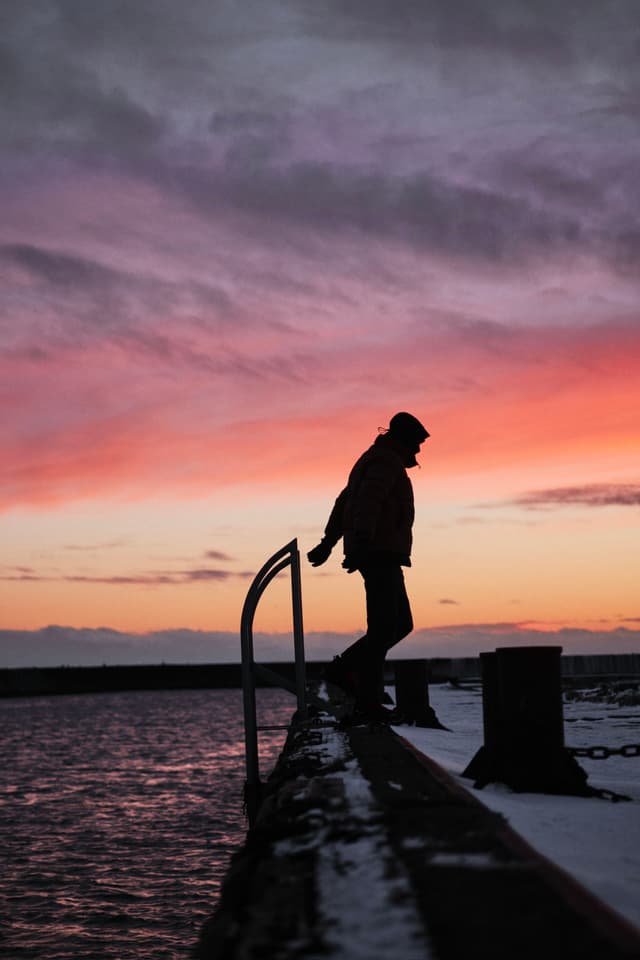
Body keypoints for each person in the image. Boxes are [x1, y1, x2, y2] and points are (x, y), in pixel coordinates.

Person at [307, 411, 430, 722]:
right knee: (385, 628)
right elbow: (365, 503)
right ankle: (361, 694)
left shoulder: (375, 459)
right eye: (416, 444)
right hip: (378, 552)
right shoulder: (385, 462)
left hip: (379, 551)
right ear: (403, 440)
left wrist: (328, 542)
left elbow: (344, 502)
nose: (418, 451)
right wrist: (360, 542)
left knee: (397, 625)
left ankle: (354, 681)